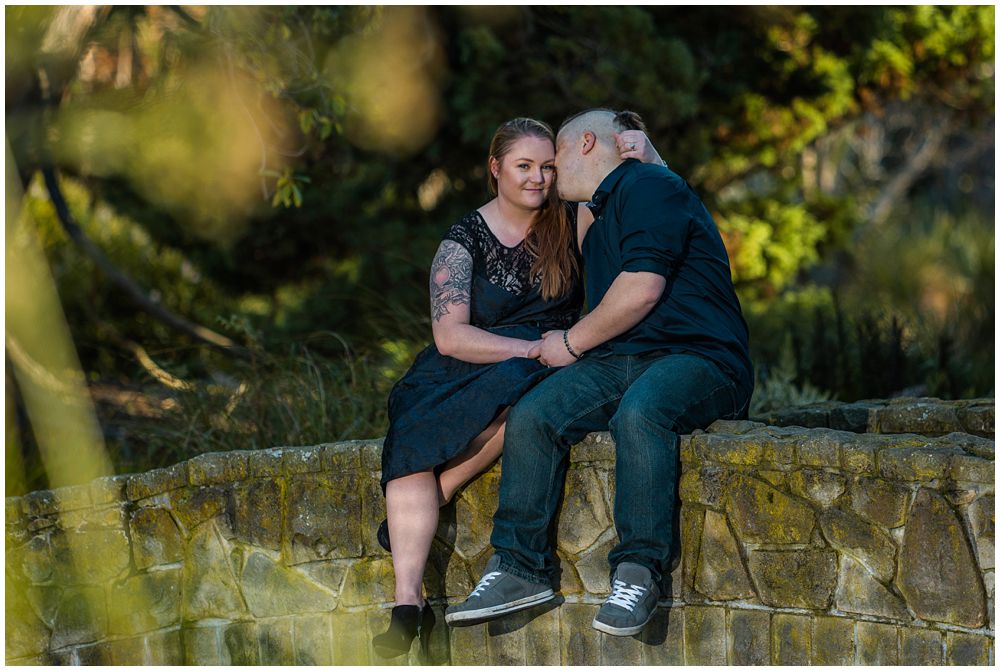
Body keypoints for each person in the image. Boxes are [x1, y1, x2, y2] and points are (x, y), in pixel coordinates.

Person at [445, 109, 753, 637]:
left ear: (586, 143)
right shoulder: (604, 205)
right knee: (536, 413)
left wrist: (567, 342)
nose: (548, 173)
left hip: (700, 359)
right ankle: (520, 568)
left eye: (556, 157)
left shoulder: (648, 183)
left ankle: (638, 571)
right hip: (621, 360)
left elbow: (641, 289)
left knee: (643, 412)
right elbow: (578, 233)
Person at [372, 116, 663, 659]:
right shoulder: (463, 239)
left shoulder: (571, 218)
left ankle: (441, 491)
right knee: (411, 438)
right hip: (477, 357)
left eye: (548, 167)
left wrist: (644, 152)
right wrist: (526, 347)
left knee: (528, 391)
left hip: (552, 356)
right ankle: (406, 602)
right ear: (495, 168)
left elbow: (647, 214)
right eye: (524, 166)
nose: (538, 178)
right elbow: (450, 335)